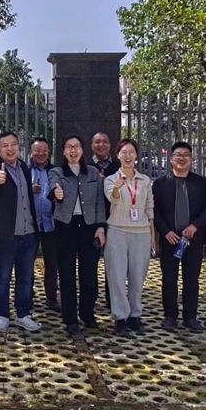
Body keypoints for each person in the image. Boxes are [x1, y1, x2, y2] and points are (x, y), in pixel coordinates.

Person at [153, 142, 206, 333]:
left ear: (191, 160)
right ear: (171, 159)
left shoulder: (201, 183)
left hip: (193, 239)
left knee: (191, 278)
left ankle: (190, 317)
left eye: (186, 155)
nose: (182, 158)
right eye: (178, 155)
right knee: (169, 278)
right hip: (169, 239)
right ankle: (170, 315)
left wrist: (195, 226)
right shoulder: (160, 184)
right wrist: (165, 231)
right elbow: (155, 211)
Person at [0, 132, 41, 333]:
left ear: (19, 146)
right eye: (5, 146)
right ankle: (2, 315)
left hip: (28, 232)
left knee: (25, 278)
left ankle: (23, 315)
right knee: (3, 277)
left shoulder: (24, 167)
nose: (10, 148)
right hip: (5, 235)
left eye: (13, 144)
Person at [48, 135, 106, 334]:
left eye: (77, 146)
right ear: (63, 151)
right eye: (69, 147)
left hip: (89, 227)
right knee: (67, 273)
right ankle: (70, 318)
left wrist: (100, 227)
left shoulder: (92, 172)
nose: (73, 151)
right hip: (66, 226)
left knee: (89, 273)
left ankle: (87, 314)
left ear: (83, 150)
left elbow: (99, 202)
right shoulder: (56, 172)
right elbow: (52, 186)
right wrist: (56, 194)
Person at [103, 138, 155, 337]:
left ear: (136, 155)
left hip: (141, 233)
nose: (127, 156)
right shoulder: (111, 179)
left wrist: (152, 233)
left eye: (131, 152)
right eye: (124, 152)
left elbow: (149, 207)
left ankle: (135, 315)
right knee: (116, 276)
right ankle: (120, 317)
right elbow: (112, 198)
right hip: (117, 231)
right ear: (118, 155)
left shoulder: (145, 180)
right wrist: (117, 187)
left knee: (137, 276)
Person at [91, 131, 121, 311]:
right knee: (91, 262)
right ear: (91, 146)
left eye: (105, 141)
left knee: (114, 263)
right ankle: (91, 298)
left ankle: (113, 299)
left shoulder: (119, 167)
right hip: (92, 220)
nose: (101, 145)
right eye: (97, 142)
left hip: (114, 219)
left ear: (110, 145)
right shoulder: (86, 166)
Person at [29, 137, 59, 312]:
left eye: (44, 150)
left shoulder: (56, 171)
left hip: (50, 224)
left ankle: (51, 297)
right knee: (27, 263)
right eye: (37, 151)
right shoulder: (24, 170)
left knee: (52, 263)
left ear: (49, 152)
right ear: (31, 152)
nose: (40, 154)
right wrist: (30, 189)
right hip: (30, 225)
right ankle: (27, 295)